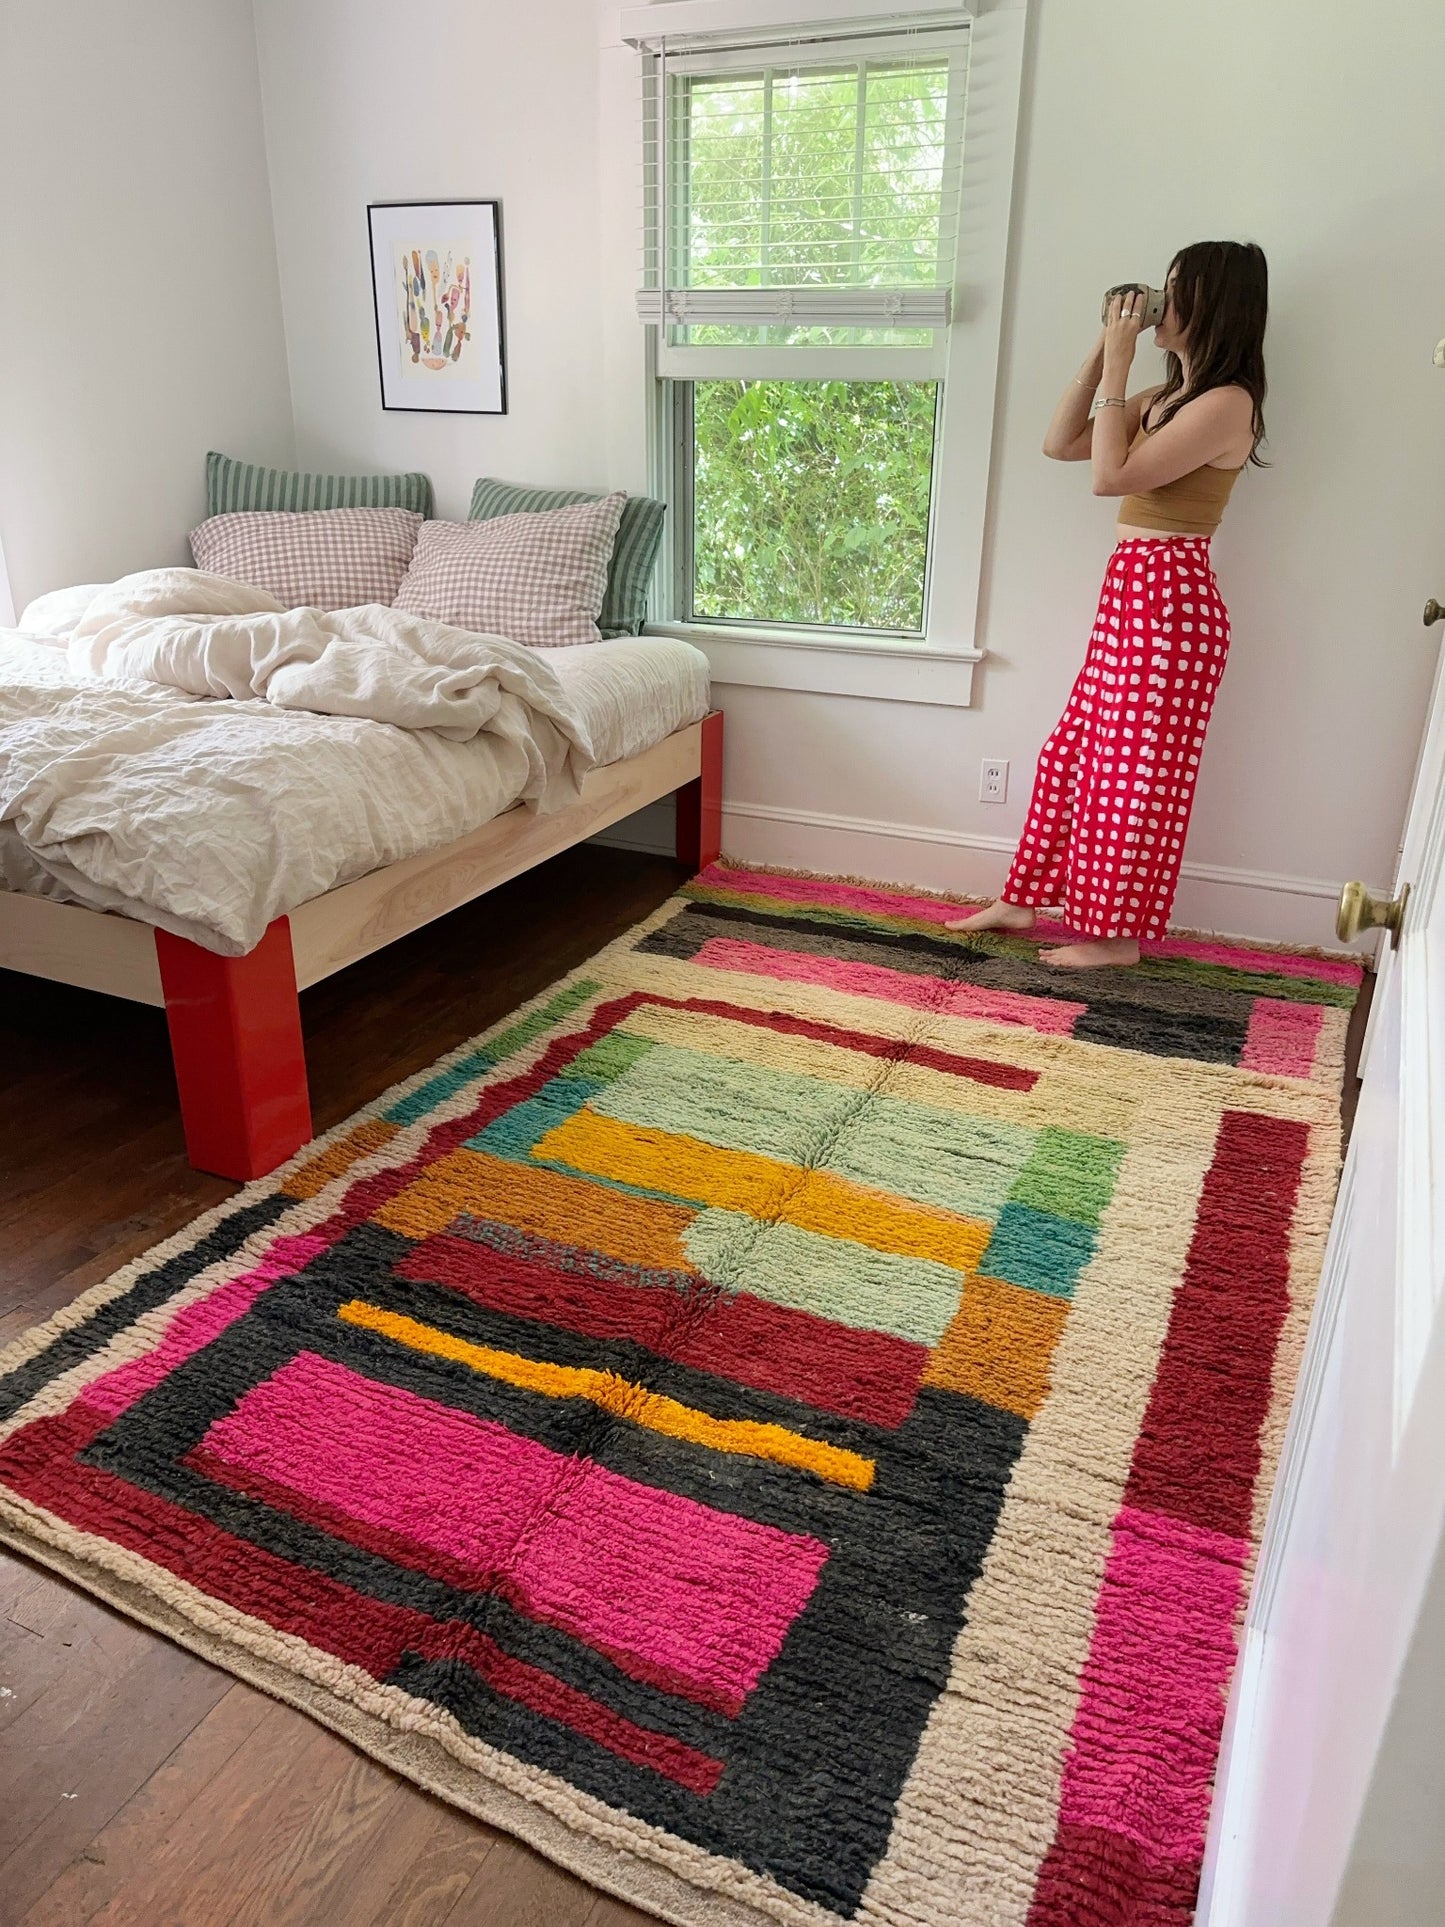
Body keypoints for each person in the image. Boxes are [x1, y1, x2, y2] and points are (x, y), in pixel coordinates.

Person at [947, 240, 1268, 967]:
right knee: (1070, 753)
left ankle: (1115, 936)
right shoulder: (1166, 399)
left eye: (1175, 290)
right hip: (1130, 592)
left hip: (1172, 598)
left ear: (1213, 304)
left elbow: (1109, 478)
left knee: (1137, 773)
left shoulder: (1226, 403)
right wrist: (1102, 348)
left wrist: (1122, 368)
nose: (1160, 301)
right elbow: (1061, 443)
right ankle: (1023, 898)